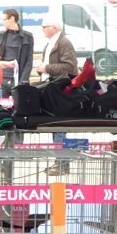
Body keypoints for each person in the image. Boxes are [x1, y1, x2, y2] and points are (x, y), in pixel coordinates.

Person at [35, 14, 79, 176]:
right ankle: (60, 162)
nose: (42, 29)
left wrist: (46, 68)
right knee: (56, 127)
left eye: (44, 26)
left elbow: (70, 67)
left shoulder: (64, 42)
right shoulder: (52, 43)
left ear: (55, 28)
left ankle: (62, 163)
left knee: (59, 126)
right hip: (51, 87)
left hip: (60, 90)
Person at [0, 8, 34, 97]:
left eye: (4, 19)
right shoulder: (1, 35)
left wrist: (22, 81)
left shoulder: (27, 36)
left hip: (18, 79)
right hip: (3, 79)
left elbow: (29, 60)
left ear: (12, 19)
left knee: (18, 108)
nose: (2, 22)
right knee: (1, 107)